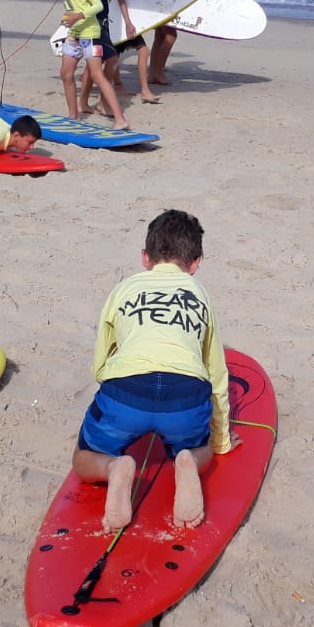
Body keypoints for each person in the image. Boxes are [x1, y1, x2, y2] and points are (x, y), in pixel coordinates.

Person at [74, 209, 236, 534]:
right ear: (195, 264)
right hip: (185, 397)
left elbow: (100, 362)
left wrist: (115, 382)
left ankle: (115, 467)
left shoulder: (124, 288)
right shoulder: (201, 295)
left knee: (83, 459)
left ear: (145, 257)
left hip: (125, 392)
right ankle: (188, 461)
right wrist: (220, 441)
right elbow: (216, 374)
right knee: (199, 449)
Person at [0, 0, 130, 129]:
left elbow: (98, 4)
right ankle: (73, 116)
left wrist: (77, 15)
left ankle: (120, 119)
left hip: (90, 33)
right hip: (74, 33)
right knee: (66, 74)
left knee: (97, 75)